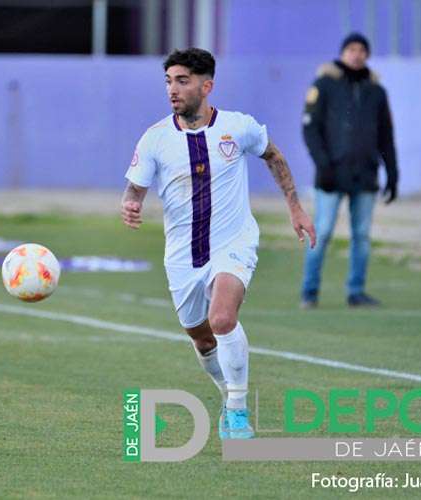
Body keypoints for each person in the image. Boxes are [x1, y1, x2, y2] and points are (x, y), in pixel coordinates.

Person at [121, 48, 315, 439]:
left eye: (182, 81)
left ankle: (239, 414)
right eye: (169, 81)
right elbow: (136, 186)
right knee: (202, 337)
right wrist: (131, 203)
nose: (173, 90)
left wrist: (295, 208)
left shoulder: (238, 127)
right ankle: (229, 395)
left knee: (222, 318)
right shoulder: (156, 138)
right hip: (182, 254)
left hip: (234, 241)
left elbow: (273, 156)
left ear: (206, 86)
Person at [300, 33, 398, 309]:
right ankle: (310, 292)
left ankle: (356, 292)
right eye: (351, 49)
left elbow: (386, 136)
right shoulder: (324, 85)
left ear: (367, 55)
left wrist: (392, 173)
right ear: (343, 53)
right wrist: (323, 164)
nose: (356, 54)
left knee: (362, 236)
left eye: (362, 50)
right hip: (331, 174)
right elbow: (310, 129)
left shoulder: (377, 92)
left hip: (365, 175)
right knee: (322, 232)